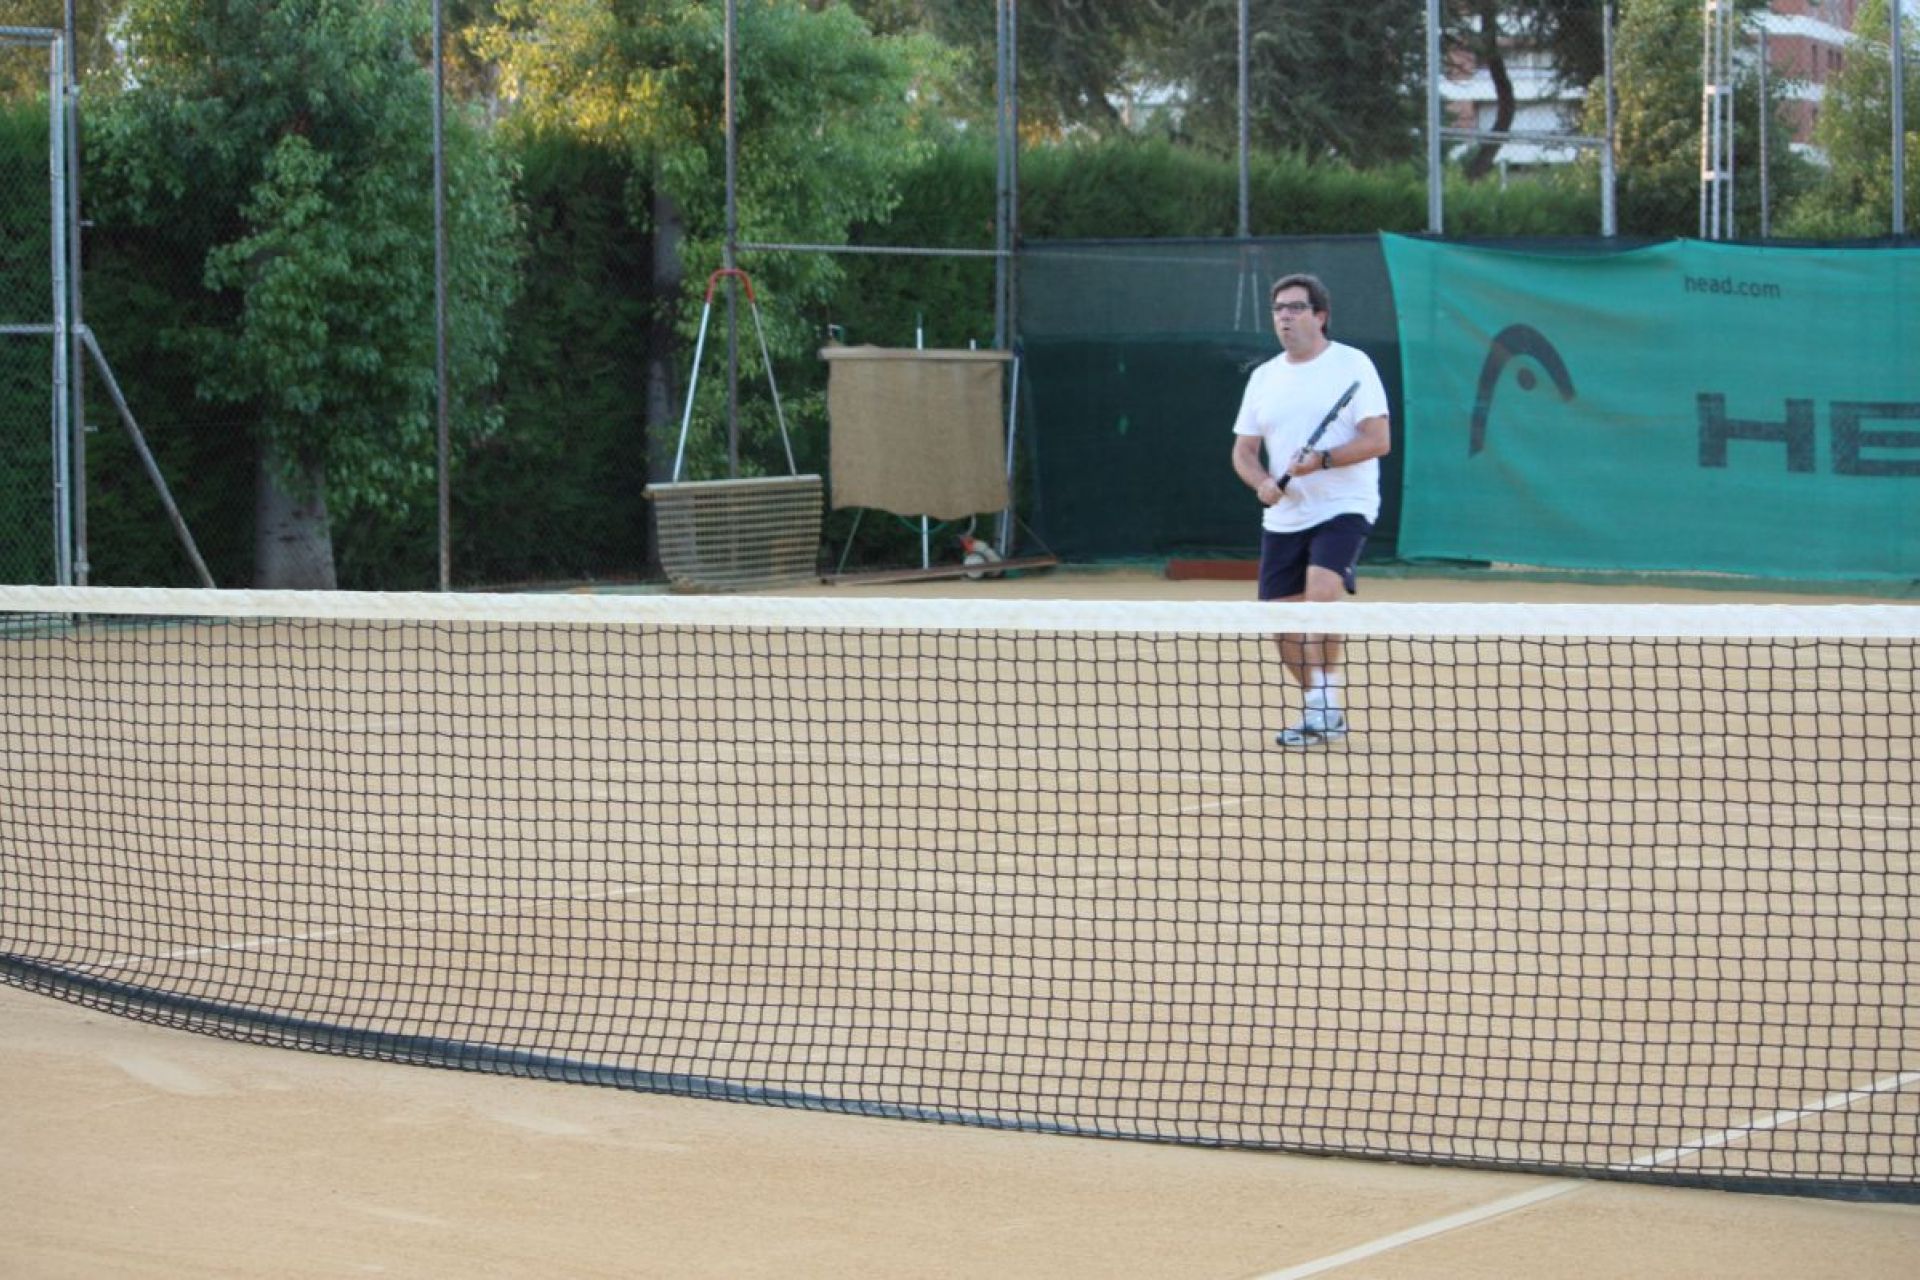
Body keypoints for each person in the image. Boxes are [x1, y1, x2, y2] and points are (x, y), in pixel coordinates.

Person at [1230, 273, 1392, 748]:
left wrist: (1322, 460)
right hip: (1285, 516)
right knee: (1281, 626)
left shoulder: (1353, 364)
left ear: (1320, 316)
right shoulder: (1264, 377)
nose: (1285, 316)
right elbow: (1243, 451)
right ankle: (1324, 708)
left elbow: (1378, 440)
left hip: (1345, 505)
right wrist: (1262, 482)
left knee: (1320, 597)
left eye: (1296, 307)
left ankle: (1321, 712)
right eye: (1279, 309)